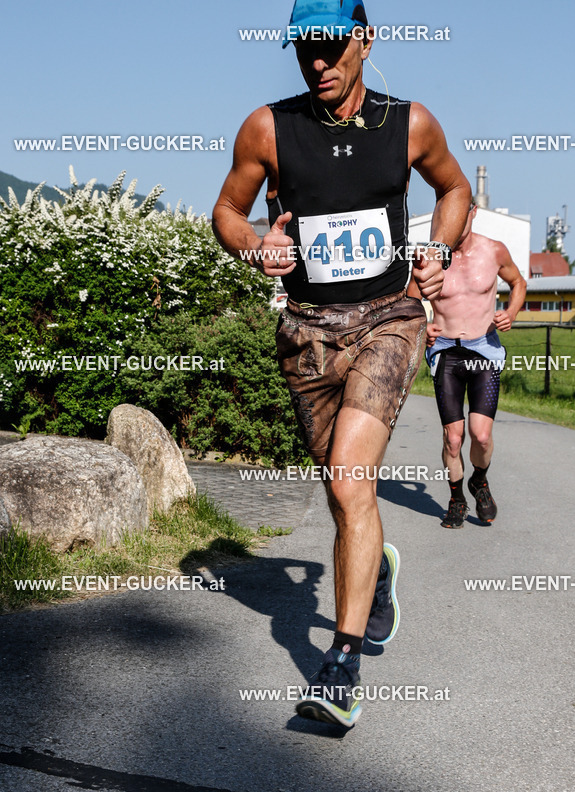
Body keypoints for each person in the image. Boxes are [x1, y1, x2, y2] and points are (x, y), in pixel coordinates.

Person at [213, 0, 471, 727]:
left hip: (389, 318)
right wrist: (254, 244)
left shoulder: (409, 123)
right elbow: (226, 210)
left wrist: (438, 248)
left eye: (330, 46)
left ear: (365, 39)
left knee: (350, 478)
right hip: (307, 332)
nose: (318, 62)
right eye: (305, 50)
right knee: (342, 491)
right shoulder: (267, 128)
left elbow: (454, 188)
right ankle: (376, 566)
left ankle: (341, 666)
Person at [425, 202, 526, 528]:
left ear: (473, 211)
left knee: (480, 436)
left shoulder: (494, 251)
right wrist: (421, 327)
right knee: (453, 439)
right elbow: (409, 300)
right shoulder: (430, 257)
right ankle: (456, 499)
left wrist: (511, 313)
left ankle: (479, 480)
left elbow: (519, 283)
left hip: (484, 350)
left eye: (460, 212)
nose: (453, 220)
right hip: (446, 351)